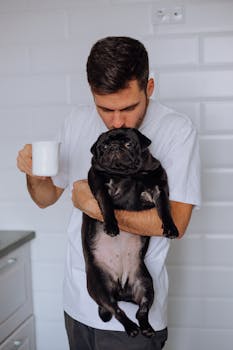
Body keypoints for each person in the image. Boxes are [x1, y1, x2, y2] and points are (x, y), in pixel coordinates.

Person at [17, 36, 201, 350]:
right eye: (105, 109)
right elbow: (45, 198)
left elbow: (177, 223)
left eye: (129, 108)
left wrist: (97, 208)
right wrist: (33, 174)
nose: (116, 121)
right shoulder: (76, 121)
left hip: (138, 309)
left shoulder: (177, 130)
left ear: (149, 88)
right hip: (78, 301)